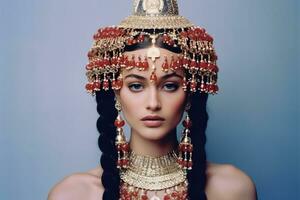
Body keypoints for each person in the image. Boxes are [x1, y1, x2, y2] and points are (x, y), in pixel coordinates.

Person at [48, 0, 257, 199]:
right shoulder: (73, 194)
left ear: (190, 94)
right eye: (136, 86)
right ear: (116, 94)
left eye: (170, 86)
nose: (153, 103)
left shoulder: (234, 189)